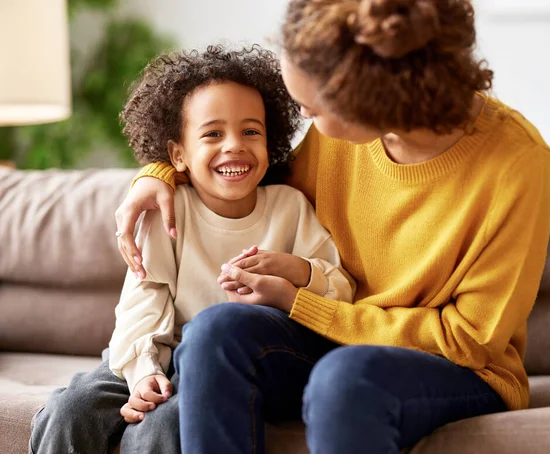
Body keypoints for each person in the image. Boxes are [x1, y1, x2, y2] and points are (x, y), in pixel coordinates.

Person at [115, 0, 550, 453]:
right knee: (215, 332)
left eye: (311, 106)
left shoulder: (516, 163)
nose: (304, 119)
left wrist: (302, 304)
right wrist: (156, 174)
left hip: (451, 367)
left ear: (368, 97)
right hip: (332, 342)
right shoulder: (341, 134)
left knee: (345, 380)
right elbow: (243, 175)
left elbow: (470, 340)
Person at [29, 45, 353, 454]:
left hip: (219, 368)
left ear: (270, 144)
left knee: (162, 422)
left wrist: (297, 270)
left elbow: (341, 289)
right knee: (69, 407)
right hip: (146, 349)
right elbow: (143, 303)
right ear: (178, 155)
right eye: (213, 133)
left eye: (251, 131)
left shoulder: (290, 207)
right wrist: (143, 371)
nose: (234, 145)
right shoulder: (166, 209)